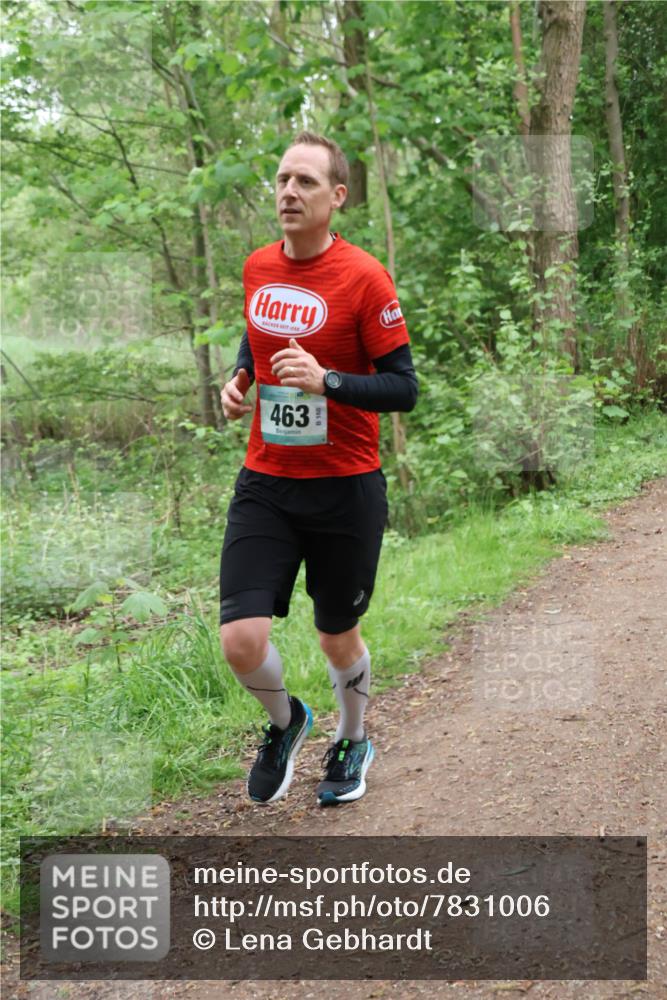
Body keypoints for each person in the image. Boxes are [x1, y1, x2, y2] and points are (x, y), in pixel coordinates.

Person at [219, 131, 418, 807]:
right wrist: (241, 377)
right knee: (241, 639)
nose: (288, 191)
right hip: (267, 482)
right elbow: (258, 333)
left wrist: (327, 380)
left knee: (337, 636)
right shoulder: (257, 267)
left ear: (337, 197)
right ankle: (286, 722)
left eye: (305, 181)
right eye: (282, 179)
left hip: (345, 487)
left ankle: (353, 736)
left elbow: (403, 388)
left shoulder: (364, 277)